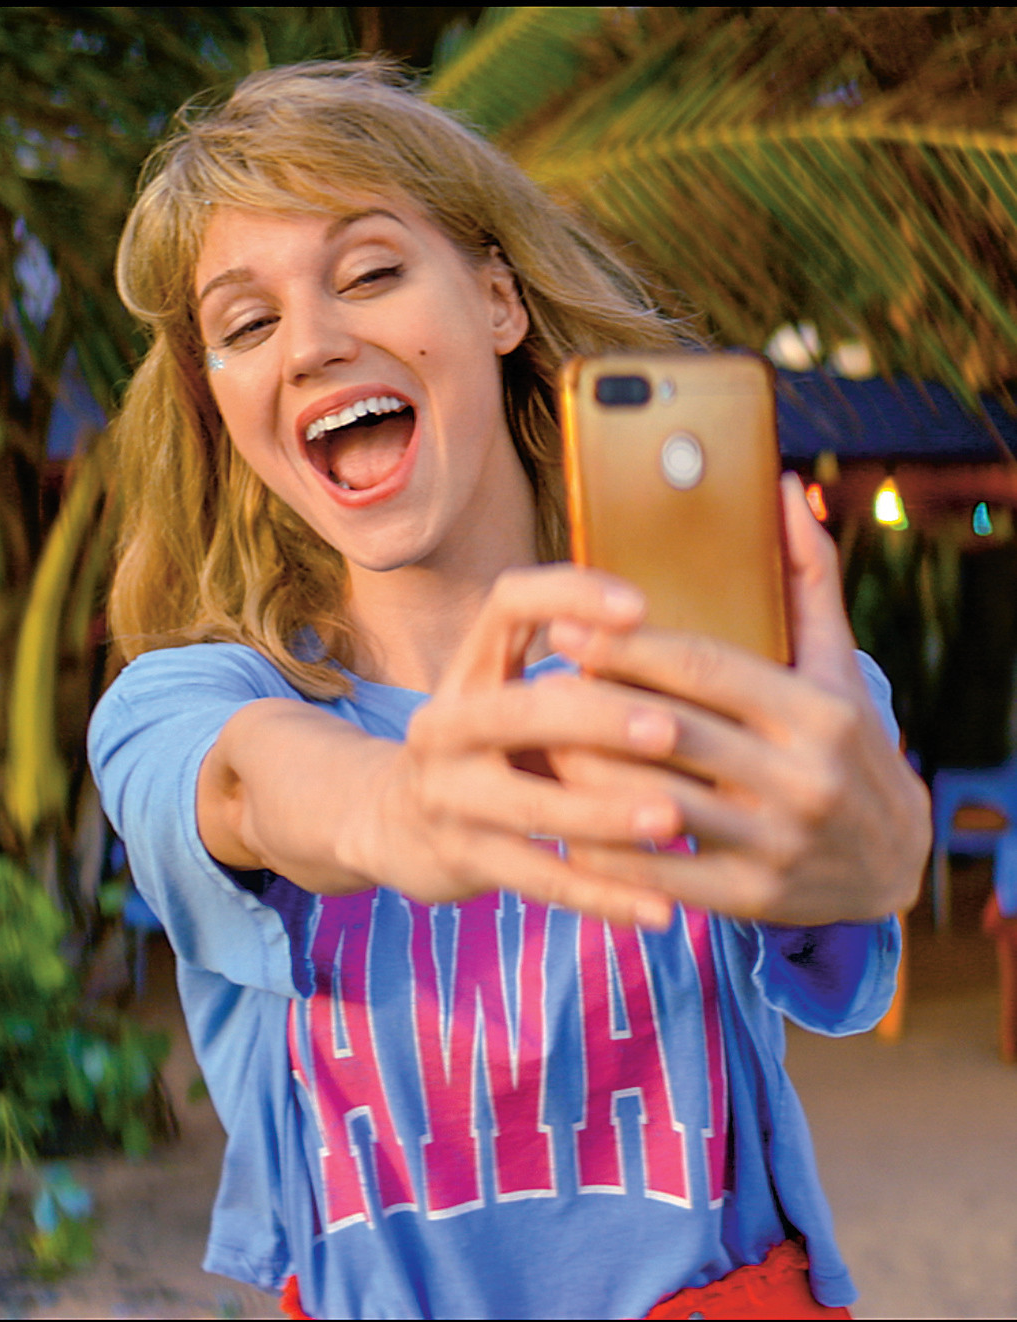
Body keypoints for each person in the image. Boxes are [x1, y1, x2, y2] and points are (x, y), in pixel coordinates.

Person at [88, 61, 930, 1321]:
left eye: (369, 272)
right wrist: (393, 804)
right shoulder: (179, 702)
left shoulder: (715, 672)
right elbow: (249, 785)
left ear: (496, 298)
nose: (311, 343)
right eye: (247, 325)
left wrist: (854, 857)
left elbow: (837, 902)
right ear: (219, 400)